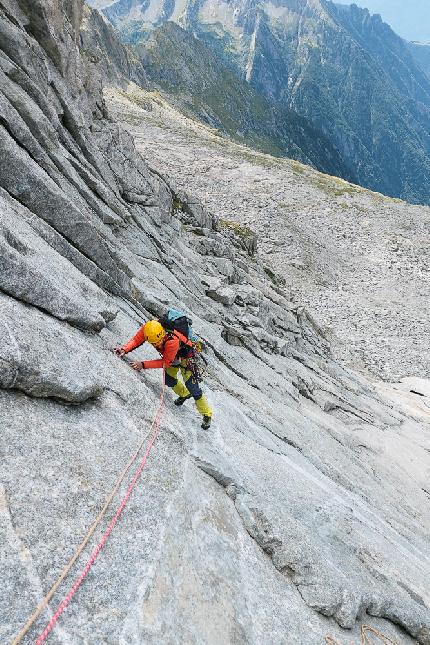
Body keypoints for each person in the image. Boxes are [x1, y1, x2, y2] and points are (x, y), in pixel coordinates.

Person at [115, 320, 213, 430]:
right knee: (169, 379)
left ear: (162, 334)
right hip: (172, 356)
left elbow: (165, 363)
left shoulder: (172, 340)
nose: (158, 345)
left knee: (192, 387)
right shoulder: (149, 329)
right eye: (155, 344)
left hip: (186, 357)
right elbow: (136, 340)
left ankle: (207, 414)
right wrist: (124, 349)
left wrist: (143, 364)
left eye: (159, 342)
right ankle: (184, 394)